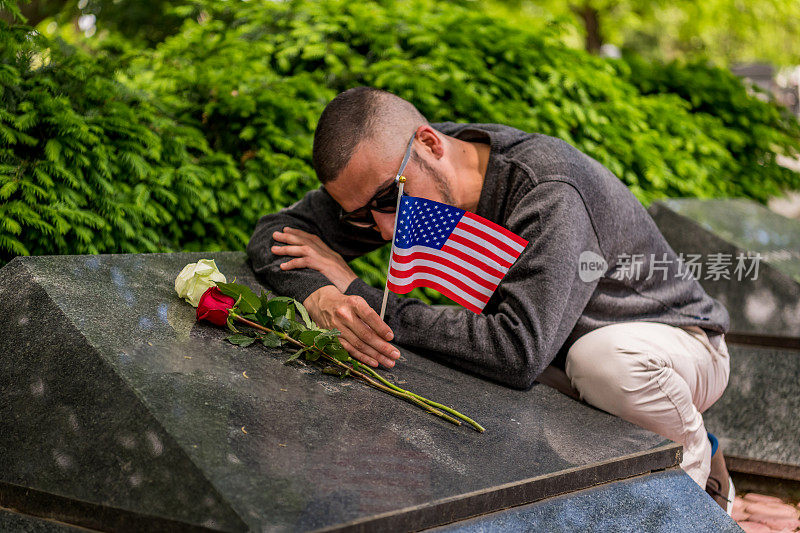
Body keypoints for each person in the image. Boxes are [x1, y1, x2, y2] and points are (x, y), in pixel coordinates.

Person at [246, 87, 735, 513]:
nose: (386, 229)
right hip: (556, 355)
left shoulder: (550, 191)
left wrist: (363, 298)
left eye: (389, 202)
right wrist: (322, 294)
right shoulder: (398, 169)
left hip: (675, 346)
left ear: (431, 143)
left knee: (604, 360)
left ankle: (693, 457)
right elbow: (275, 234)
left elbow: (516, 352)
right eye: (360, 216)